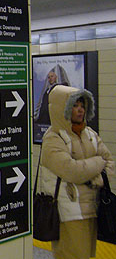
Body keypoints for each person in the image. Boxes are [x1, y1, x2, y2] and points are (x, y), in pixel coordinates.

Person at [40, 85, 114, 259]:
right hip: (69, 211)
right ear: (62, 109)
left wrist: (98, 179)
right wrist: (97, 162)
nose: (80, 110)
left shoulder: (90, 135)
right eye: (74, 105)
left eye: (82, 105)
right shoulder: (53, 138)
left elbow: (110, 164)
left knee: (87, 255)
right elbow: (72, 171)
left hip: (92, 208)